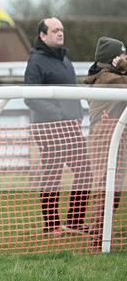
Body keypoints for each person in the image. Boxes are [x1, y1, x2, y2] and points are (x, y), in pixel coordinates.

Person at [24, 17, 91, 234]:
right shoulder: (36, 62)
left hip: (71, 128)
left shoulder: (65, 60)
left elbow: (71, 93)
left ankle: (74, 221)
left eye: (61, 30)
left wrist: (78, 112)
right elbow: (30, 97)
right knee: (53, 176)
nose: (60, 33)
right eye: (55, 30)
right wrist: (59, 114)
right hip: (49, 130)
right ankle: (51, 226)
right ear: (43, 35)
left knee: (85, 173)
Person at [83, 36, 127, 250]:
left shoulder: (108, 76)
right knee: (104, 190)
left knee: (112, 192)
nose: (126, 57)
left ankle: (101, 237)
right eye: (123, 55)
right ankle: (96, 241)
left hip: (111, 137)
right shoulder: (110, 79)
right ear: (114, 59)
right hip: (105, 138)